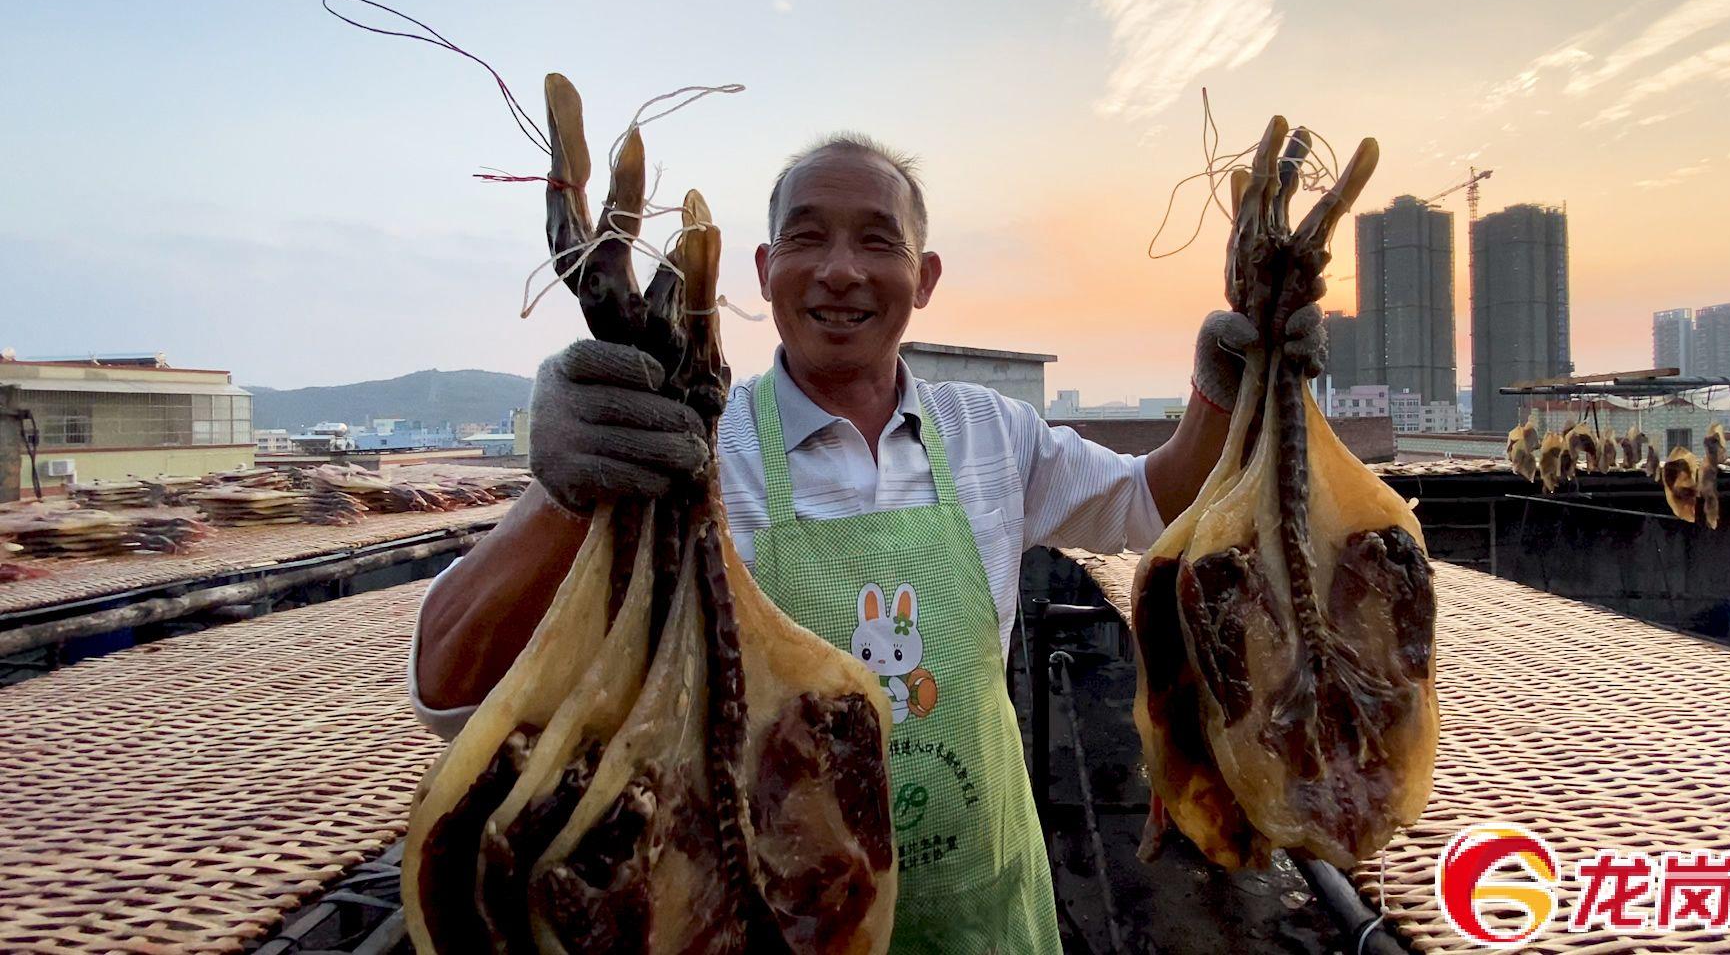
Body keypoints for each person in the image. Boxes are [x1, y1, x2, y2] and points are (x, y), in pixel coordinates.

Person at [410, 132, 1315, 952]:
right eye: (808, 238)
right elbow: (449, 687)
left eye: (877, 241)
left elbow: (1152, 501)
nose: (841, 270)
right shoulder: (691, 453)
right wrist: (562, 498)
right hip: (776, 919)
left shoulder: (992, 433)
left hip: (990, 918)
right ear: (763, 271)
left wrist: (1223, 392)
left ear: (923, 279)